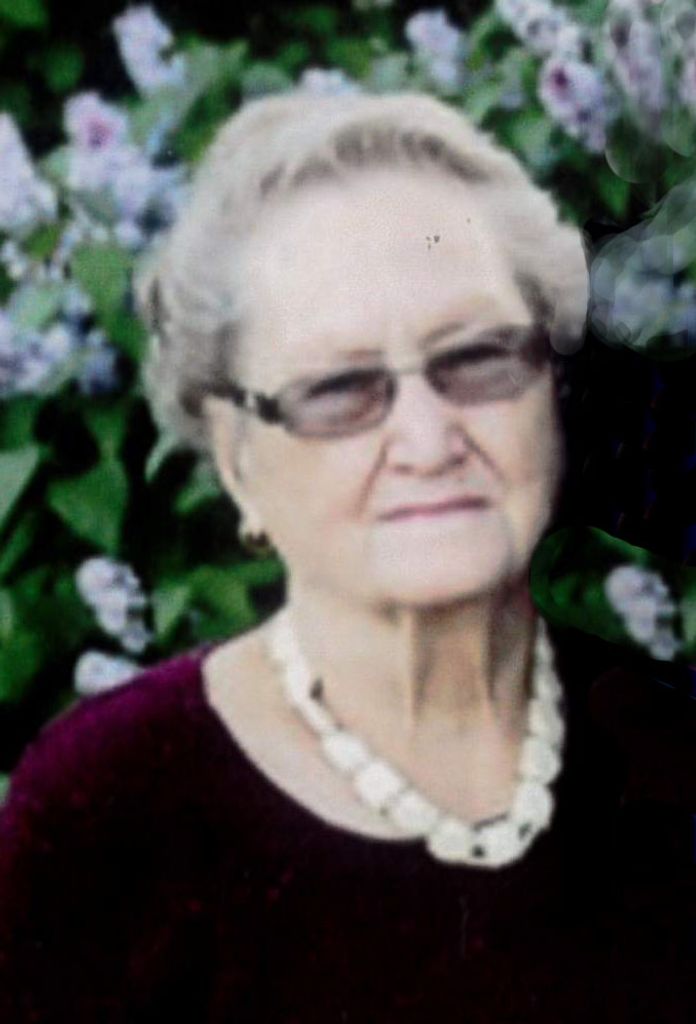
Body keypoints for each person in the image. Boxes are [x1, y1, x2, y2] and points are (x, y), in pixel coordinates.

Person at [1, 90, 695, 1023]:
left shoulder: (672, 761)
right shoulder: (108, 814)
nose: (427, 439)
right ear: (238, 459)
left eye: (479, 357)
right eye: (338, 387)